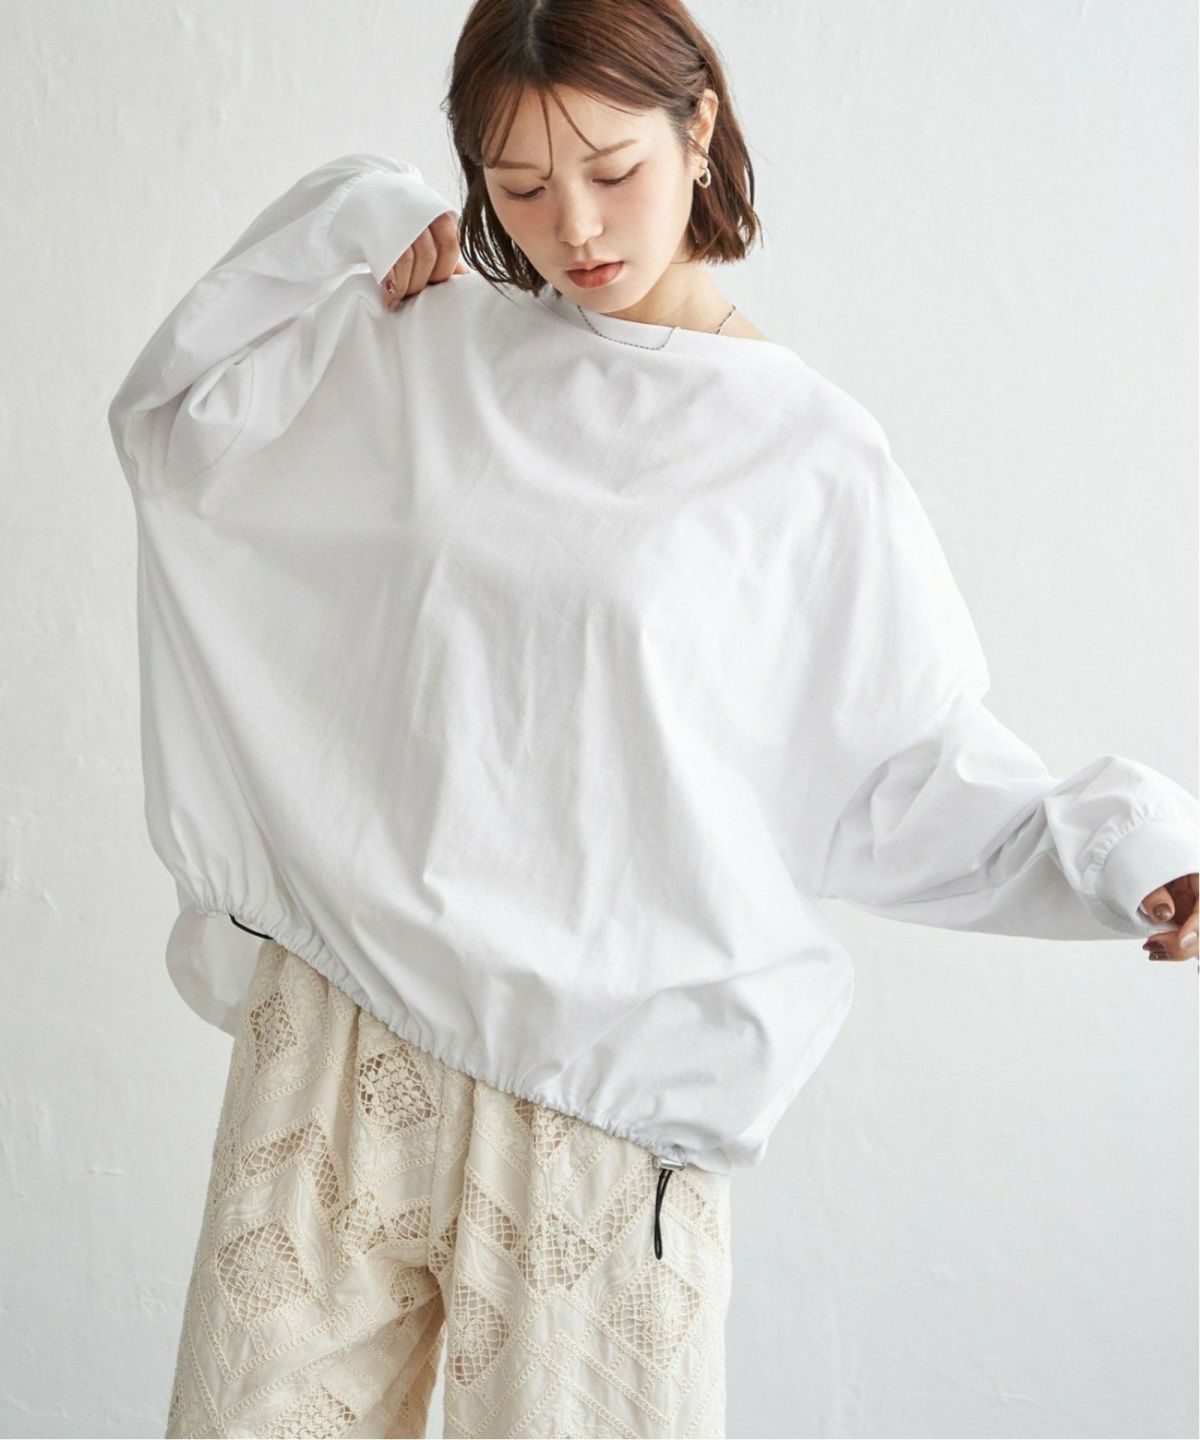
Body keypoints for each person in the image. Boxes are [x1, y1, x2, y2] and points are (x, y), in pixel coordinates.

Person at [106, 1, 1199, 1436]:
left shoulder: (802, 453)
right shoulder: (434, 340)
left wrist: (1129, 853)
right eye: (517, 186)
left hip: (598, 1110)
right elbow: (177, 428)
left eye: (612, 171)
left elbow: (901, 767)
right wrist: (351, 226)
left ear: (700, 127)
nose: (573, 227)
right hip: (344, 1033)